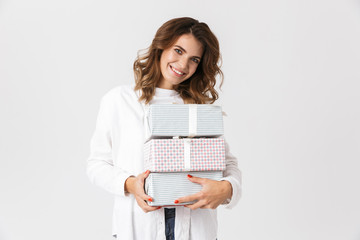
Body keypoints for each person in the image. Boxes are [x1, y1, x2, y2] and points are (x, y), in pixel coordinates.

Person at [87, 17, 242, 240]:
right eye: (178, 51)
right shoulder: (119, 101)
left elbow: (228, 164)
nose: (183, 65)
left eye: (194, 59)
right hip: (139, 228)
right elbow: (96, 164)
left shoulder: (198, 109)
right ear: (161, 46)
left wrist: (227, 189)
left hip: (196, 230)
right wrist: (131, 185)